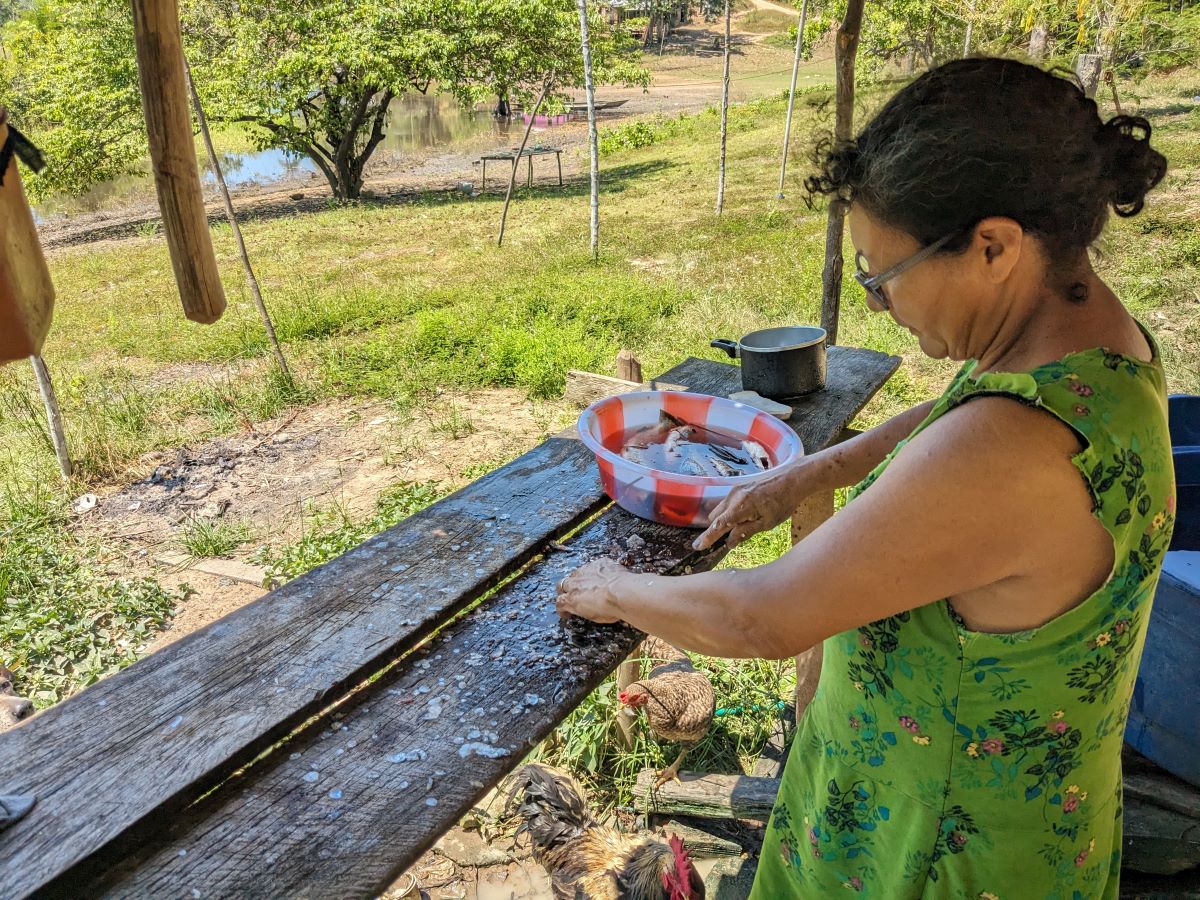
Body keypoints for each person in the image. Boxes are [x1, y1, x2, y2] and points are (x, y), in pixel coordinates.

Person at [557, 57, 1174, 898]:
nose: (881, 305)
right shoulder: (1098, 352)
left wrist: (616, 588)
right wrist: (819, 468)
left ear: (992, 246)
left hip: (932, 847)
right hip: (1035, 819)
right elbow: (957, 410)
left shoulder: (1007, 449)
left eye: (881, 278)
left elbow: (757, 617)